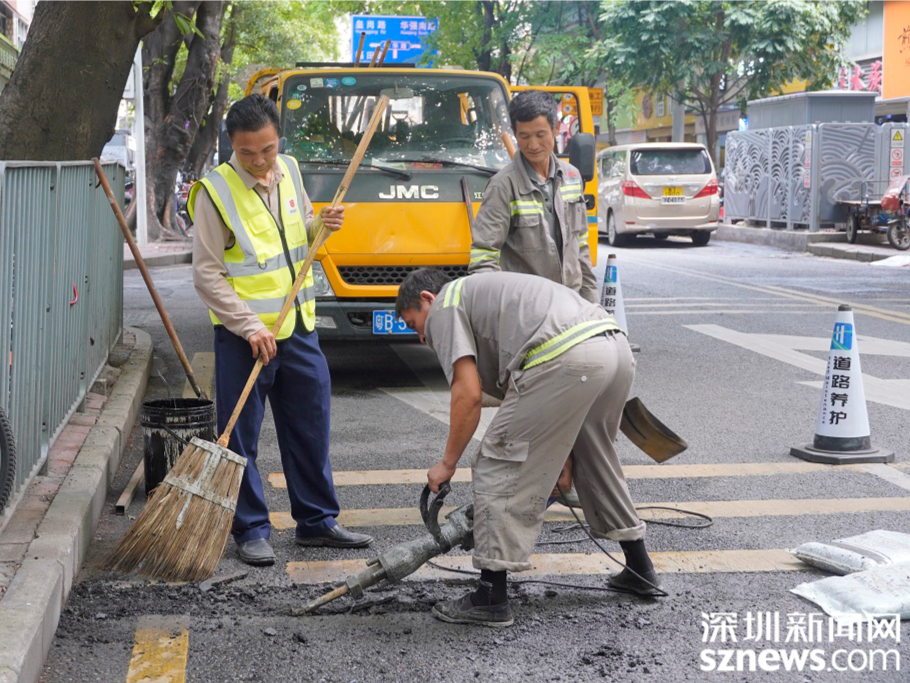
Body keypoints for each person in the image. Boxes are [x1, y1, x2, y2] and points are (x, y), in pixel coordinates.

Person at [396, 268, 660, 628]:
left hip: (567, 357)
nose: (423, 337)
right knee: (594, 458)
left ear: (427, 299)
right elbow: (546, 418)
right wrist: (563, 459)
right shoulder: (487, 298)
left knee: (496, 462)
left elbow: (468, 394)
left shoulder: (446, 303)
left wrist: (447, 464)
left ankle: (490, 596)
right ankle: (640, 569)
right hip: (612, 349)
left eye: (415, 324)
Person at [189, 94, 372, 567]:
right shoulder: (215, 192)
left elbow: (299, 233)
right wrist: (249, 326)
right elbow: (208, 275)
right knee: (241, 435)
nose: (259, 161)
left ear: (278, 140)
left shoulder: (288, 169)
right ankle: (250, 528)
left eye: (267, 149)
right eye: (248, 152)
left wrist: (321, 226)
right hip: (243, 338)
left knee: (310, 425)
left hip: (299, 329)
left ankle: (316, 521)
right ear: (232, 144)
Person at [469, 90, 600, 502]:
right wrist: (506, 319)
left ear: (556, 130)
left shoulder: (573, 179)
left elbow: (579, 248)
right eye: (523, 136)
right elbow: (483, 263)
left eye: (540, 134)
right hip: (532, 325)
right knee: (536, 410)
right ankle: (535, 486)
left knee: (578, 402)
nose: (532, 145)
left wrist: (595, 308)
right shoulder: (502, 186)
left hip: (575, 313)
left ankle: (568, 481)